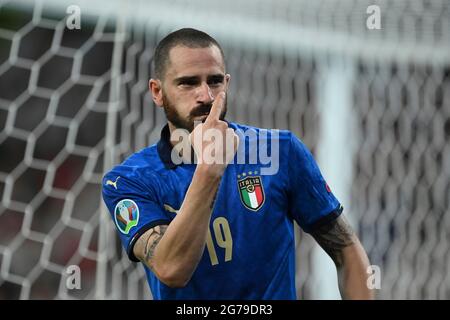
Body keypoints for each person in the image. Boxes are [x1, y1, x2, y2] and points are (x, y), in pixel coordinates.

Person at [102, 28, 374, 300]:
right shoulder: (129, 181)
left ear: (227, 83)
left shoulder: (280, 151)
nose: (206, 96)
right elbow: (171, 269)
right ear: (157, 92)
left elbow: (346, 248)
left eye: (215, 81)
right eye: (188, 83)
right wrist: (209, 169)